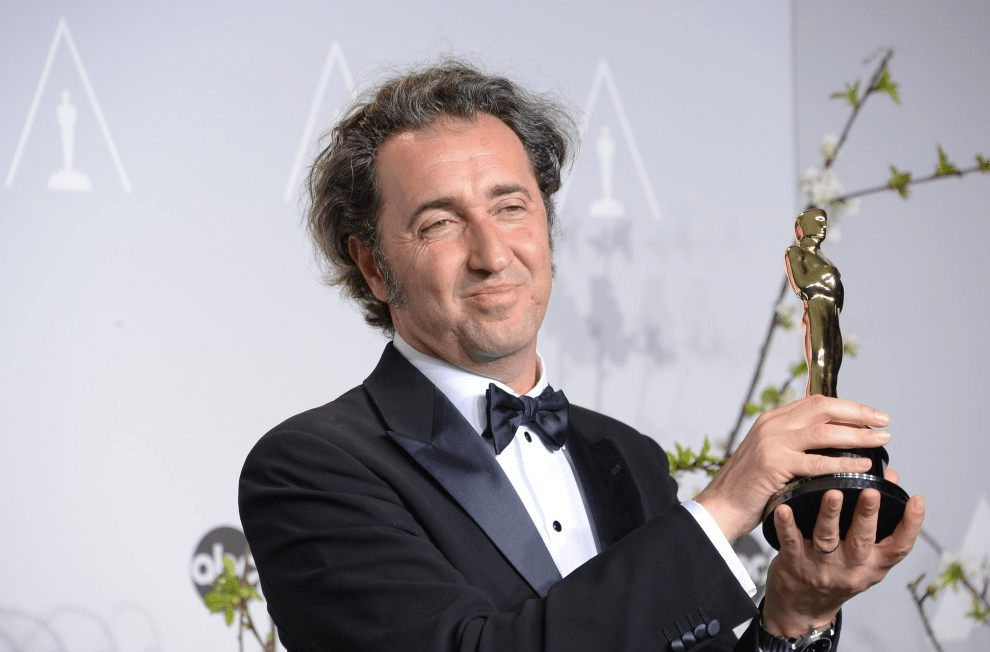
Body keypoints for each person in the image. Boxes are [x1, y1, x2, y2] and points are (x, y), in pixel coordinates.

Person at [239, 60, 924, 651]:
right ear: (373, 266)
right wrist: (721, 510)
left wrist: (795, 614)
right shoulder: (309, 470)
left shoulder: (628, 456)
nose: (491, 254)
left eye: (511, 207)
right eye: (441, 222)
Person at [785, 208, 844, 397]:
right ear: (802, 227)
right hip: (815, 307)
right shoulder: (796, 252)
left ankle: (830, 400)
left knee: (834, 357)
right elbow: (802, 283)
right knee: (820, 356)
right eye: (818, 221)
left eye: (824, 222)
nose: (823, 225)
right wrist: (828, 274)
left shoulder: (824, 258)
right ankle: (817, 399)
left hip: (831, 310)